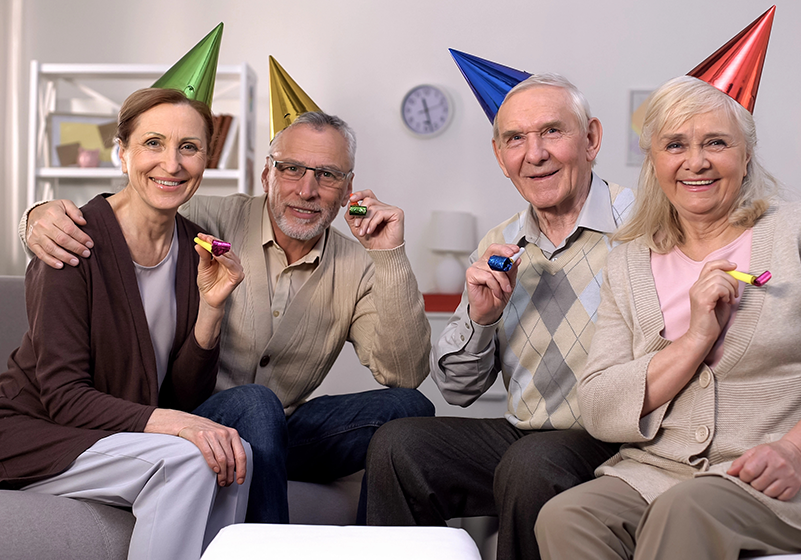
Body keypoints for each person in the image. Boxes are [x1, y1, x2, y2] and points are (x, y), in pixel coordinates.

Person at [22, 110, 434, 524]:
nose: (307, 190)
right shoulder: (207, 219)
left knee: (409, 408)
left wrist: (389, 256)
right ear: (266, 175)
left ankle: (375, 548)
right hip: (195, 417)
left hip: (282, 432)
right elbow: (141, 201)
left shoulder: (356, 265)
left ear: (347, 189)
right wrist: (36, 217)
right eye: (291, 169)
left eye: (327, 175)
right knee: (257, 404)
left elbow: (404, 372)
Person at [535, 75, 801, 559]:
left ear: (746, 155)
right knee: (565, 516)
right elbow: (597, 405)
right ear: (654, 161)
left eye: (716, 143)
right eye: (675, 144)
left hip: (784, 480)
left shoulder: (799, 231)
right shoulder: (630, 258)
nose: (695, 162)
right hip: (657, 473)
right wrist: (697, 338)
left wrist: (797, 452)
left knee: (687, 508)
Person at [365, 73, 635, 560]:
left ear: (591, 139)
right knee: (397, 444)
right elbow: (458, 390)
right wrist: (482, 318)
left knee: (532, 463)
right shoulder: (500, 242)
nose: (534, 154)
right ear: (500, 158)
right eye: (516, 139)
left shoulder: (642, 225)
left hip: (615, 442)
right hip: (523, 435)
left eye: (553, 131)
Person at [0, 88, 250, 560]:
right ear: (123, 152)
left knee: (236, 457)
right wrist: (177, 425)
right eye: (153, 143)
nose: (171, 164)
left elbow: (181, 396)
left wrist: (211, 310)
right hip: (32, 433)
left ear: (206, 159)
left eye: (189, 147)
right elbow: (63, 397)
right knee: (189, 460)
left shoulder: (194, 245)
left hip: (110, 436)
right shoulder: (71, 242)